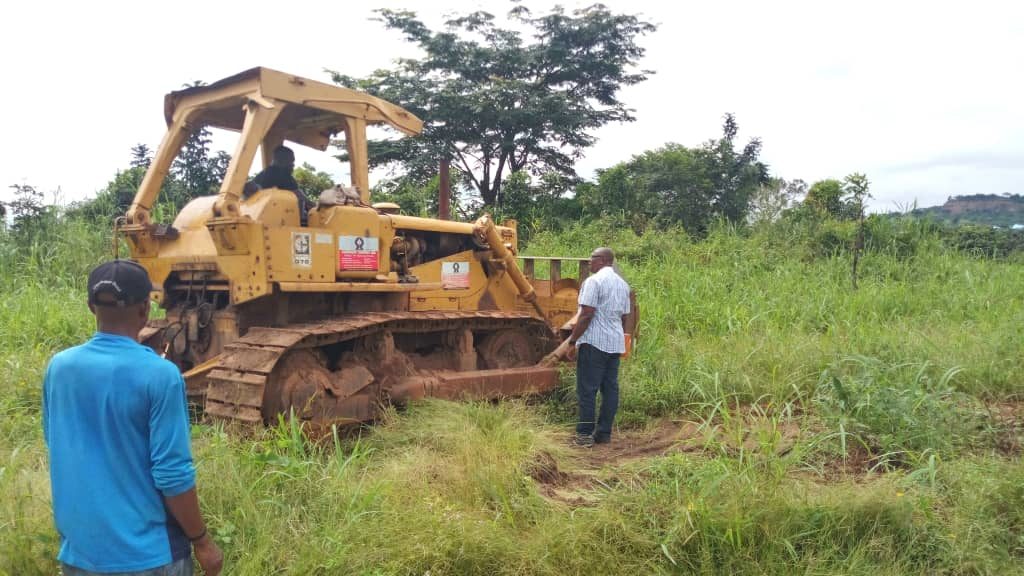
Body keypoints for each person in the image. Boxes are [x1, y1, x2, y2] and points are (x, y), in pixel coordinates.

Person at [43, 260, 223, 576]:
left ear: (90, 307)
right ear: (144, 309)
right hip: (149, 556)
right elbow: (173, 475)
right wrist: (202, 541)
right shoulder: (160, 375)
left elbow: (58, 444)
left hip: (79, 554)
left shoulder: (59, 368)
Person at [566, 247, 632, 447]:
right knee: (610, 389)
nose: (589, 262)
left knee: (587, 390)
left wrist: (572, 341)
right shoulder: (623, 285)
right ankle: (603, 434)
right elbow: (624, 316)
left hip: (594, 343)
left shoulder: (593, 282)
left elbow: (586, 314)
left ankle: (584, 436)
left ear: (602, 260)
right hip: (614, 343)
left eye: (592, 259)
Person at [243, 145, 311, 224]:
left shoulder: (263, 175)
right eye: (291, 161)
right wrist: (315, 206)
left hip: (262, 217)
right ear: (279, 159)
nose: (292, 164)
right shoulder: (283, 176)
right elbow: (300, 198)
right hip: (283, 220)